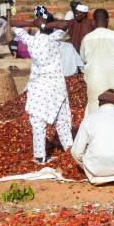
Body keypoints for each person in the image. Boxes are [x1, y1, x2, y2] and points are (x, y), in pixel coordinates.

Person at [11, 24, 72, 164]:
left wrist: (34, 22)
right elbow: (65, 25)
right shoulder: (54, 38)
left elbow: (16, 28)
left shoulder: (31, 40)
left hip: (38, 87)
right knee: (61, 120)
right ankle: (70, 150)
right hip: (56, 87)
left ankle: (40, 156)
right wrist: (46, 23)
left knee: (38, 122)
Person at [80, 9, 114, 115]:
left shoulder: (86, 39)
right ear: (107, 20)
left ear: (94, 21)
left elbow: (83, 61)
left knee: (95, 112)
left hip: (94, 84)